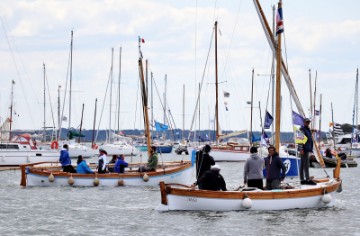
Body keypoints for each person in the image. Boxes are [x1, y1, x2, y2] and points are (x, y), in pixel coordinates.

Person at [298, 118, 316, 185]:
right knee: (306, 165)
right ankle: (307, 179)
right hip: (304, 149)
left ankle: (302, 179)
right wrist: (301, 149)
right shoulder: (302, 129)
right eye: (306, 122)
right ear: (304, 122)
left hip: (306, 149)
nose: (308, 123)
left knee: (303, 164)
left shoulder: (307, 129)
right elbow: (300, 140)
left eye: (308, 122)